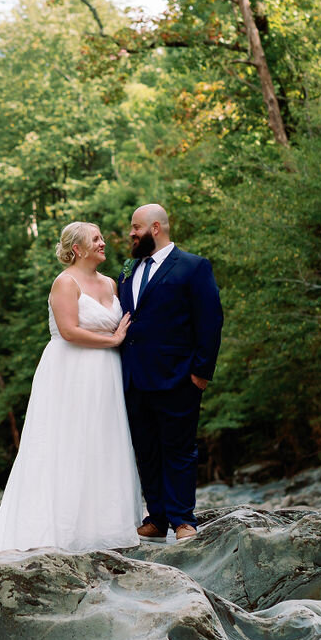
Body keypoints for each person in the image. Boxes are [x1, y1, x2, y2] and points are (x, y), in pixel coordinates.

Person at [0, 221, 142, 558]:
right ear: (78, 249)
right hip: (69, 372)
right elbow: (69, 330)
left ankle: (103, 527)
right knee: (67, 443)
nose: (104, 243)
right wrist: (114, 339)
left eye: (101, 237)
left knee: (103, 441)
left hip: (106, 373)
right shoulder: (65, 282)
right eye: (96, 238)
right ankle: (55, 527)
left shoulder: (111, 284)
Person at [117, 203, 223, 541]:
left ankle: (183, 520)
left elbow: (210, 320)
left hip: (178, 375)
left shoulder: (193, 267)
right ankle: (157, 517)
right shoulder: (128, 270)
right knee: (146, 449)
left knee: (179, 448)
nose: (131, 233)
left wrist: (201, 372)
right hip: (134, 376)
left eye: (136, 227)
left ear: (156, 228)